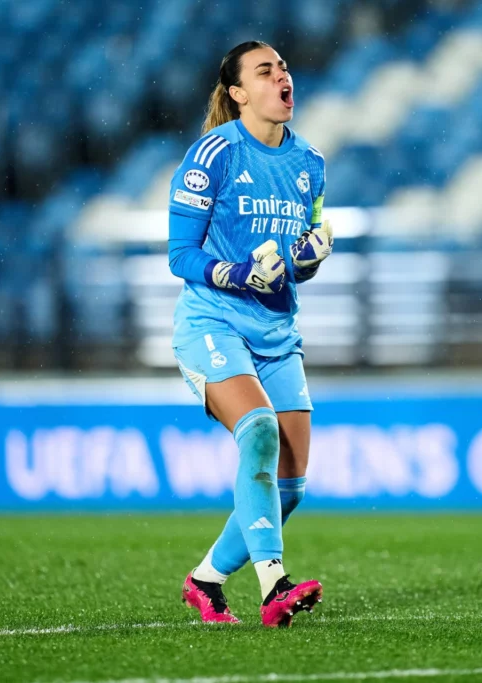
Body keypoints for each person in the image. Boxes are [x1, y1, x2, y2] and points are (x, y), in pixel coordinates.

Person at [166, 40, 333, 628]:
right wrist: (235, 272)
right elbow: (179, 255)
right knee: (258, 432)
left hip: (277, 332)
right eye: (265, 71)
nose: (282, 76)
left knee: (290, 488)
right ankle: (274, 587)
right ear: (238, 93)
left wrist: (310, 256)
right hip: (212, 321)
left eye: (284, 67)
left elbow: (301, 256)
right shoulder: (212, 154)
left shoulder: (309, 162)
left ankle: (205, 581)